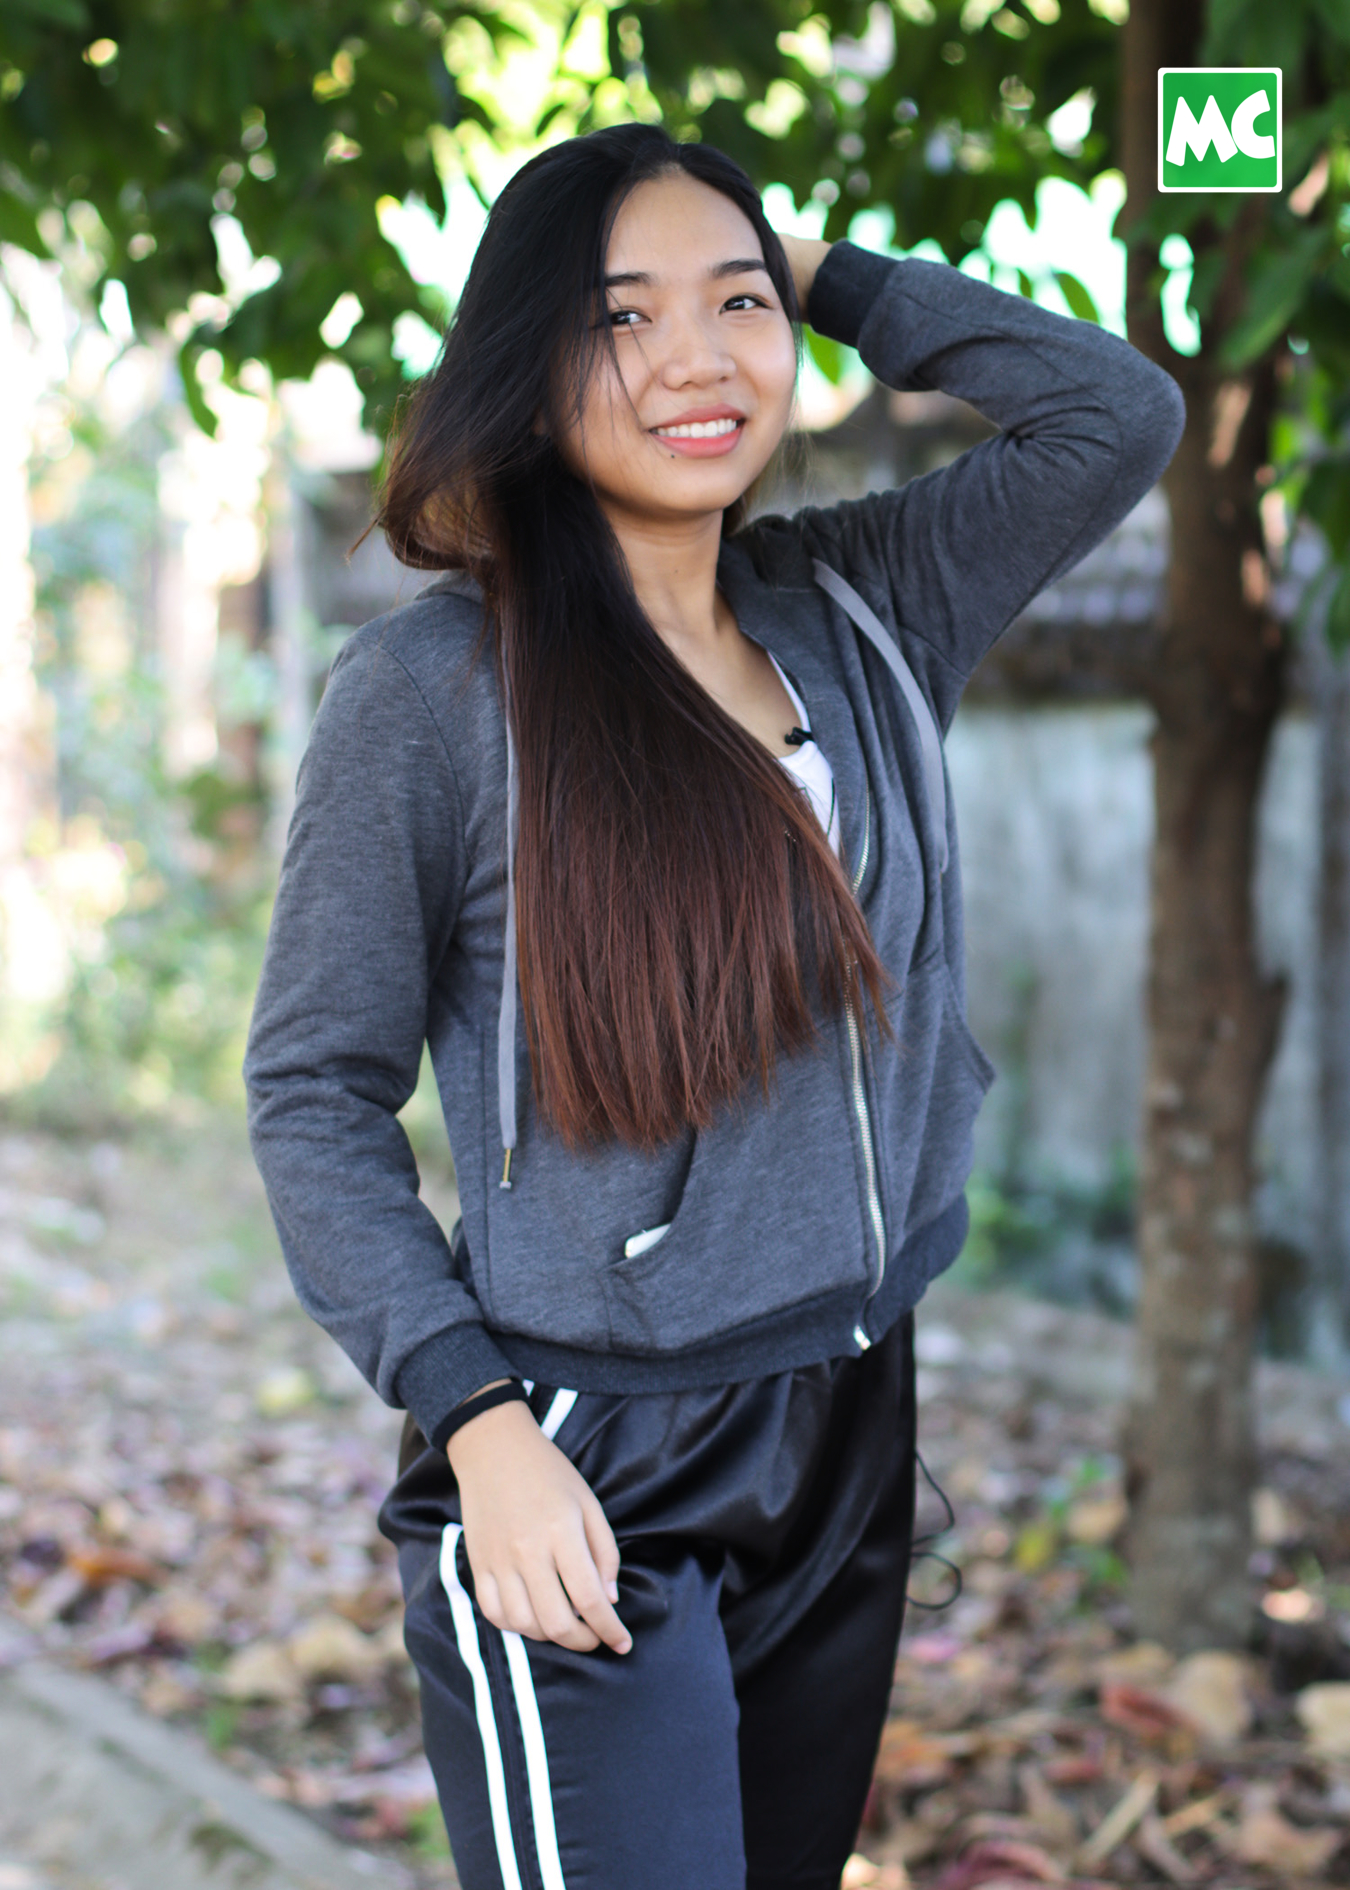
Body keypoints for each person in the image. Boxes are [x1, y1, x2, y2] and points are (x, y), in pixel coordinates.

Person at [244, 122, 1183, 1890]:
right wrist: (476, 1420)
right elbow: (312, 1090)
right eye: (621, 316)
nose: (697, 357)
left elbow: (1113, 413)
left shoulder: (864, 602)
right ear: (527, 367)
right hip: (582, 1450)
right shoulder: (429, 693)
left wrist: (811, 269)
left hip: (845, 1414)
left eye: (735, 306)